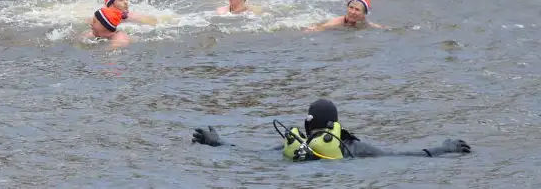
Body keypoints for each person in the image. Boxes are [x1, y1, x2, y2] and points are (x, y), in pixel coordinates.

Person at [192, 98, 471, 159]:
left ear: (306, 123)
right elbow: (402, 156)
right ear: (335, 123)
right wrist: (443, 148)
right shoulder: (352, 147)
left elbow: (251, 154)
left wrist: (216, 142)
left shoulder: (294, 147)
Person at [310, 0, 384, 30]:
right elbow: (317, 29)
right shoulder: (336, 23)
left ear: (364, 14)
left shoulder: (366, 24)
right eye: (351, 8)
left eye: (357, 9)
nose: (352, 12)